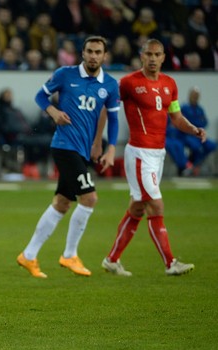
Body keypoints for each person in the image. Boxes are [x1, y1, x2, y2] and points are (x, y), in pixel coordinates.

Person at [16, 36, 120, 278]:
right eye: (90, 51)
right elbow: (40, 97)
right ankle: (70, 254)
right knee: (90, 198)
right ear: (82, 53)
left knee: (62, 203)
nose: (94, 56)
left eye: (98, 52)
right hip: (64, 146)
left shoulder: (110, 85)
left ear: (105, 56)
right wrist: (53, 112)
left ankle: (28, 256)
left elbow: (112, 118)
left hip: (83, 149)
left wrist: (108, 147)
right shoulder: (65, 74)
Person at [101, 39, 206, 277]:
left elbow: (176, 117)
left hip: (158, 154)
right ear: (141, 56)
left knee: (137, 208)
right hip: (139, 153)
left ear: (163, 58)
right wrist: (100, 139)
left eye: (156, 54)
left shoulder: (170, 83)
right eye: (148, 54)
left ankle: (112, 259)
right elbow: (108, 106)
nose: (152, 58)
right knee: (156, 204)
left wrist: (194, 129)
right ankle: (170, 263)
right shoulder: (128, 83)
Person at [178, 87, 216, 175]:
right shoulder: (184, 108)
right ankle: (189, 165)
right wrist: (196, 124)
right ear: (189, 96)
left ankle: (196, 164)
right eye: (193, 95)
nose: (195, 97)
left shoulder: (200, 109)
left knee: (212, 145)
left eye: (197, 96)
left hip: (199, 135)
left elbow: (205, 122)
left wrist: (196, 123)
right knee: (197, 147)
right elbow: (186, 122)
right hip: (187, 135)